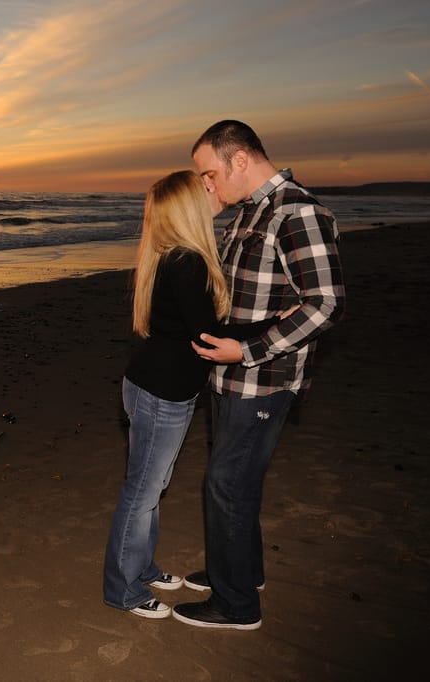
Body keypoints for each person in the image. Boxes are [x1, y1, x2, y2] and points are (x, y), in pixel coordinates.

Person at [172, 120, 345, 630]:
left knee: (226, 484)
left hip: (263, 380)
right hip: (231, 378)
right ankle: (240, 572)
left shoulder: (296, 212)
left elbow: (326, 303)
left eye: (209, 174)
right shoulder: (249, 212)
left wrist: (248, 351)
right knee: (237, 485)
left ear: (239, 159)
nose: (206, 184)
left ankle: (235, 605)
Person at [103, 170, 280, 619]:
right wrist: (277, 324)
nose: (212, 192)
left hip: (160, 387)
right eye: (202, 191)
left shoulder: (177, 255)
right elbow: (210, 336)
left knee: (152, 485)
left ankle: (142, 566)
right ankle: (122, 589)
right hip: (159, 392)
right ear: (186, 207)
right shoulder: (187, 261)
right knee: (142, 491)